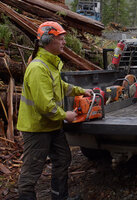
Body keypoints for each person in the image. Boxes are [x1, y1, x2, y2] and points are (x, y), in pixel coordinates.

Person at [17, 21, 91, 200]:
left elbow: (61, 86)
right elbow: (45, 105)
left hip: (51, 126)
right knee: (31, 172)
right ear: (48, 40)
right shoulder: (38, 68)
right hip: (37, 128)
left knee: (63, 159)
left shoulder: (50, 64)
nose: (64, 42)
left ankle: (60, 197)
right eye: (61, 39)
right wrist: (66, 115)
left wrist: (81, 91)